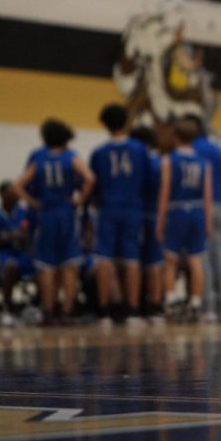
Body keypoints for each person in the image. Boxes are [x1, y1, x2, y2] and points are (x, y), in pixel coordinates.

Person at [14, 119, 94, 324]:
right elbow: (89, 178)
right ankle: (67, 311)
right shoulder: (70, 156)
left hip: (46, 213)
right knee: (70, 263)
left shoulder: (38, 157)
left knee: (46, 264)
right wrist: (80, 199)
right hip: (67, 212)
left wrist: (32, 202)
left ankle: (48, 311)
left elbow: (17, 185)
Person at [90, 104, 150, 329]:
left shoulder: (99, 152)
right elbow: (148, 180)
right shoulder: (140, 149)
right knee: (132, 259)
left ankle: (104, 312)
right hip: (133, 207)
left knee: (104, 258)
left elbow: (93, 185)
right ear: (126, 121)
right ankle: (133, 311)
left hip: (108, 208)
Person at [156, 119, 212, 322]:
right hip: (197, 211)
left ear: (174, 136)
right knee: (195, 260)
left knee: (170, 260)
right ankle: (196, 303)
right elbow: (207, 195)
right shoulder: (203, 162)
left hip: (177, 210)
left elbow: (165, 192)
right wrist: (208, 222)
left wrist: (160, 220)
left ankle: (170, 300)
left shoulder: (169, 160)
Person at [185, 114, 221, 323]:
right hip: (219, 205)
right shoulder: (216, 148)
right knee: (218, 258)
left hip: (201, 205)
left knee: (201, 258)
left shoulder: (191, 149)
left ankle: (208, 308)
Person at [0, 181, 35, 327]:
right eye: (12, 191)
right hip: (0, 254)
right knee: (10, 267)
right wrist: (8, 238)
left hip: (20, 253)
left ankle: (36, 306)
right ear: (3, 194)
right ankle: (6, 310)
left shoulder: (24, 213)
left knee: (42, 266)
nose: (17, 194)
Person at [130, 125, 164, 323]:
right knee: (154, 263)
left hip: (139, 213)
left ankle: (135, 306)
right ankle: (155, 306)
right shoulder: (159, 162)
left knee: (134, 262)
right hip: (155, 214)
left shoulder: (140, 162)